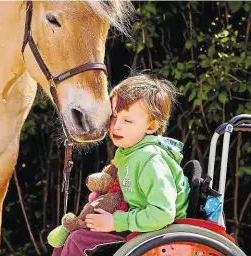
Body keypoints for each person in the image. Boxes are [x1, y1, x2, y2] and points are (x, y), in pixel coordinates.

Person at [52, 74, 190, 256]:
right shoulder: (128, 152)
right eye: (114, 116)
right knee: (68, 238)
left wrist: (115, 222)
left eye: (127, 120)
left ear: (151, 126)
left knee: (79, 241)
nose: (116, 126)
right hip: (138, 228)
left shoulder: (151, 160)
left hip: (159, 236)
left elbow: (163, 214)